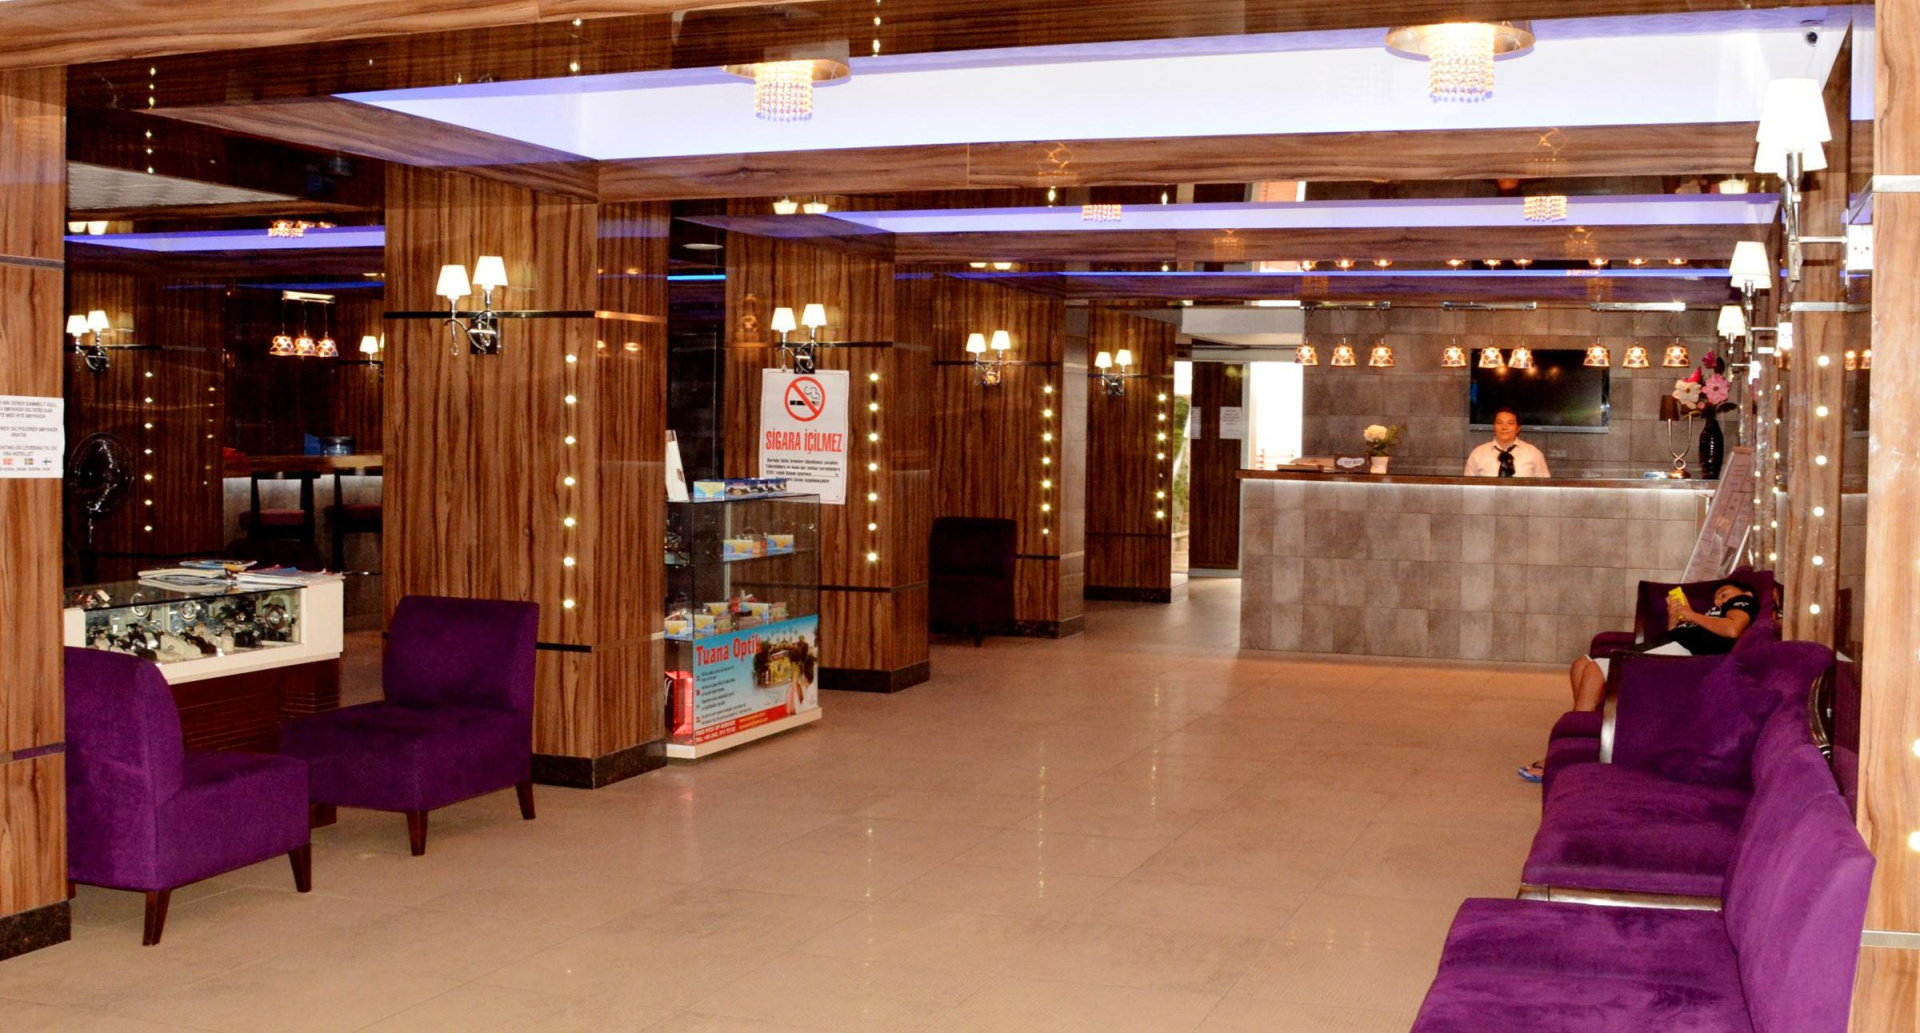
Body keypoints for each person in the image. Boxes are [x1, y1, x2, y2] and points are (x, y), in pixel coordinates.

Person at [1517, 579, 1760, 783]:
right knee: (1581, 664)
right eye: (1716, 598)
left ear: (1745, 594)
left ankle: (1564, 754)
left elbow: (1733, 630)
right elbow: (1675, 634)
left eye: (1724, 594)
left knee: (1594, 670)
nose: (1719, 600)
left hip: (1684, 659)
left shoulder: (1743, 602)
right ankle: (1587, 736)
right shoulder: (1711, 614)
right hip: (1670, 647)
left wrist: (1691, 614)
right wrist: (1676, 619)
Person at [1464, 408, 1550, 478]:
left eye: (1510, 423)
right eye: (1499, 423)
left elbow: (1545, 487)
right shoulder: (1478, 453)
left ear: (1518, 428)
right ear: (1494, 426)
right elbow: (1467, 487)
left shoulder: (1533, 453)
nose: (1504, 427)